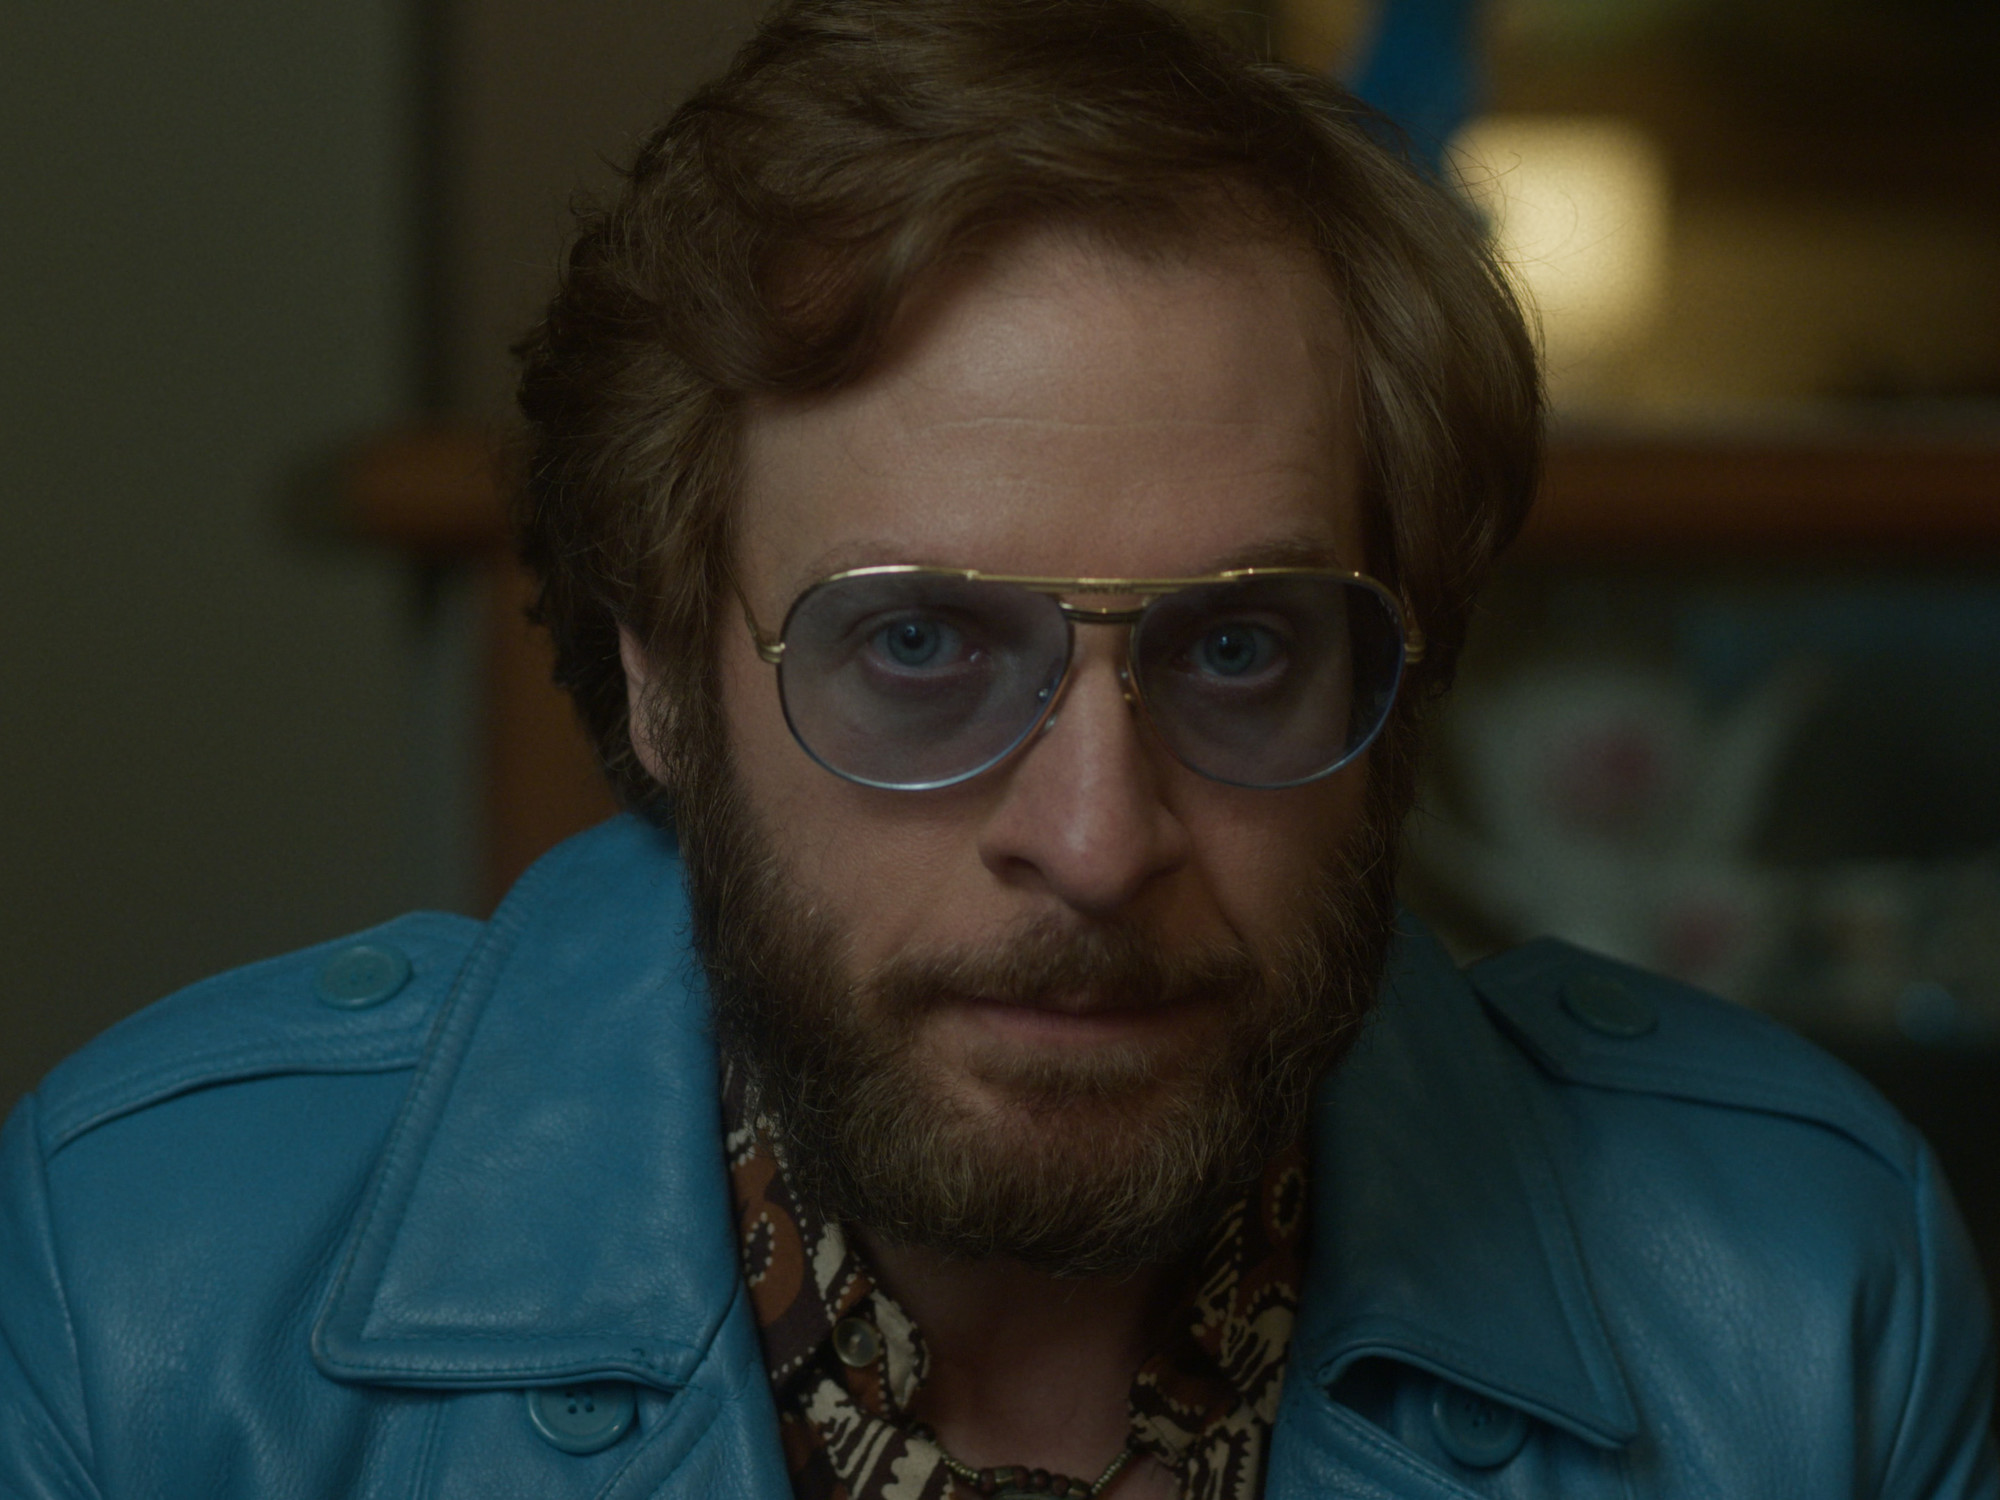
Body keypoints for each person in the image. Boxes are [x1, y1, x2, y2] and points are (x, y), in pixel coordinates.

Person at [2, 0, 1993, 1494]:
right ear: (663, 680)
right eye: (919, 644)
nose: (1098, 840)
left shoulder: (1803, 1304)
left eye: (1239, 647)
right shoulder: (152, 1291)